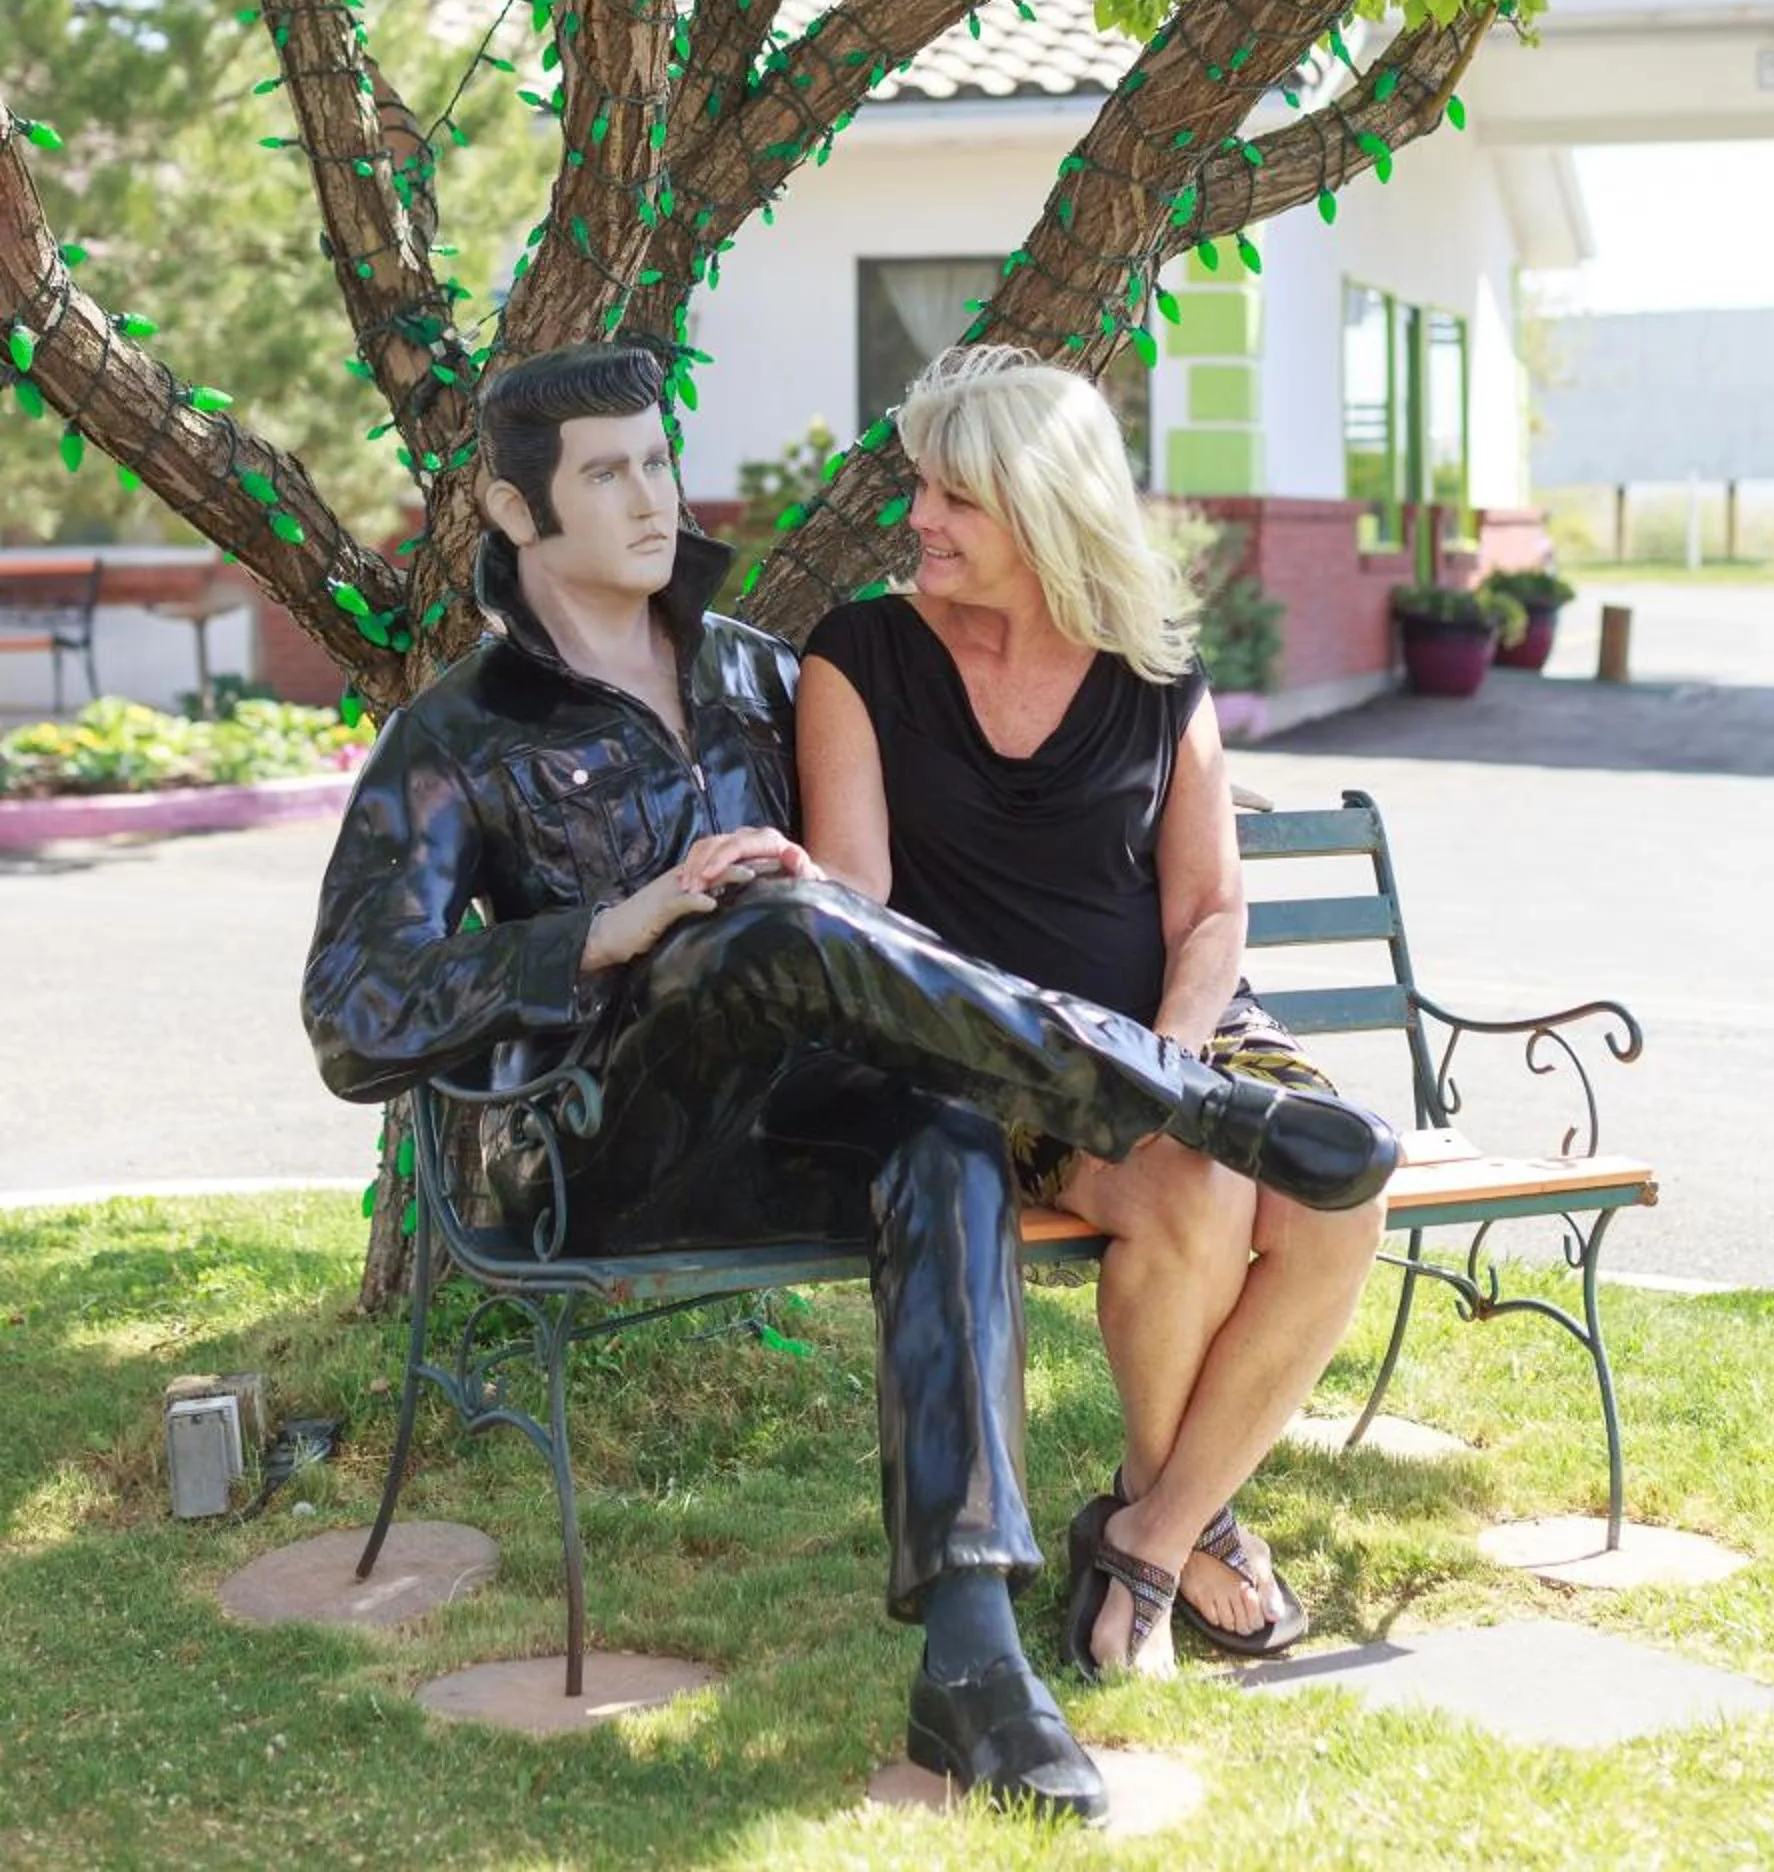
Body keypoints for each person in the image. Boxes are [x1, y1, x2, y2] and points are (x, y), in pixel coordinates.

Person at [301, 341, 1396, 1825]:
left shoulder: (761, 675)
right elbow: (354, 1015)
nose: (649, 497)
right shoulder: (459, 736)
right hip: (594, 1145)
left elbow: (947, 905)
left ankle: (976, 1663)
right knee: (786, 914)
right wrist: (615, 929)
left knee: (936, 1122)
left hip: (799, 1113)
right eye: (604, 473)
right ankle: (1185, 1098)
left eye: (656, 460)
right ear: (513, 510)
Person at [798, 346, 1398, 1682]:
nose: (919, 520)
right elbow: (859, 906)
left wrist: (1167, 1059)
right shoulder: (863, 656)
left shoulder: (1151, 667)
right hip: (991, 1045)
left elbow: (1210, 914)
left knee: (1338, 1190)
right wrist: (1100, 1075)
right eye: (921, 492)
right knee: (1190, 1186)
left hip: (1180, 1025)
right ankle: (1180, 1547)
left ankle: (1147, 1535)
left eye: (954, 498)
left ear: (1043, 504)